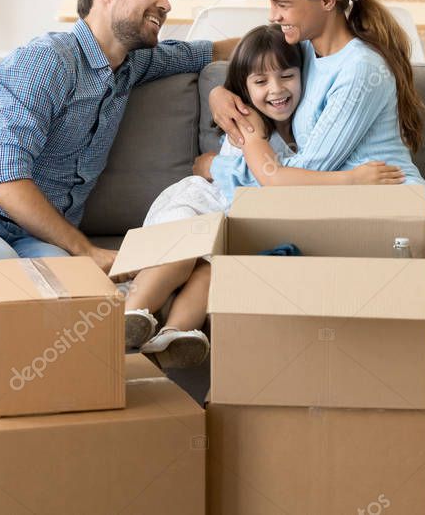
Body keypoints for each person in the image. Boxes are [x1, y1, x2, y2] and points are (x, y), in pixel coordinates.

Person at [203, 0, 425, 490]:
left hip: (411, 227)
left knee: (316, 277)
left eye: (281, 4)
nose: (273, 15)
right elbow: (239, 53)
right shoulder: (302, 50)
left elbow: (289, 181)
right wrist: (220, 95)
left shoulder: (360, 70)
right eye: (270, 2)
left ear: (326, 1)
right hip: (346, 225)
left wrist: (245, 144)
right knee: (285, 269)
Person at [0, 0, 238, 363]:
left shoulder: (134, 64)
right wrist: (84, 250)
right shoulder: (47, 60)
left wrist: (302, 34)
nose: (166, 4)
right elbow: (3, 180)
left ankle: (62, 418)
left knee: (79, 303)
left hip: (34, 239)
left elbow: (219, 51)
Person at [124, 23, 405, 367]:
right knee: (184, 252)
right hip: (204, 204)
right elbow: (275, 179)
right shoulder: (250, 124)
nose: (276, 89)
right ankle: (130, 314)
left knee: (211, 272)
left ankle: (175, 335)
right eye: (260, 82)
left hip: (232, 223)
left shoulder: (310, 124)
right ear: (244, 89)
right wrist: (352, 180)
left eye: (287, 76)